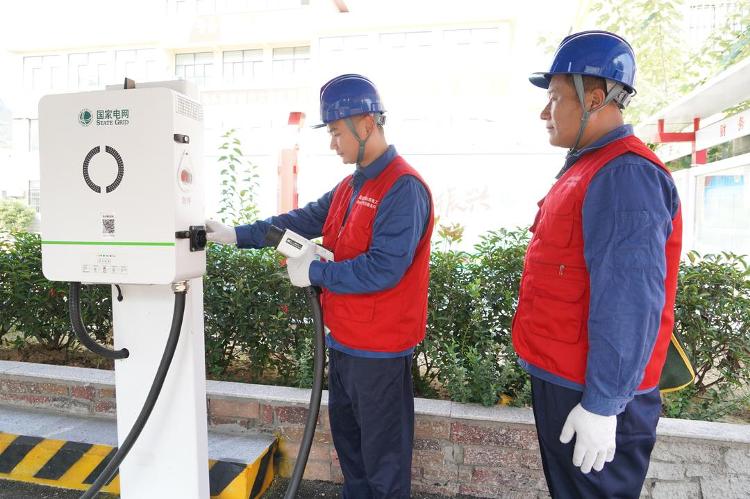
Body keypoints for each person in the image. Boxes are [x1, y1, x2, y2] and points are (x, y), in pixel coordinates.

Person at [205, 73, 433, 499]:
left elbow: (384, 268)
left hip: (380, 352)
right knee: (353, 454)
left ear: (367, 124)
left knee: (383, 462)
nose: (333, 144)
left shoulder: (403, 188)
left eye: (336, 132)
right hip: (345, 342)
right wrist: (236, 235)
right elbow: (299, 221)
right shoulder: (351, 186)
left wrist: (315, 273)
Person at [512, 31, 682, 498]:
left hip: (591, 393)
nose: (544, 113)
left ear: (594, 98)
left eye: (554, 98)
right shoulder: (589, 166)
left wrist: (604, 405)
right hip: (567, 379)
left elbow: (629, 300)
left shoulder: (625, 174)